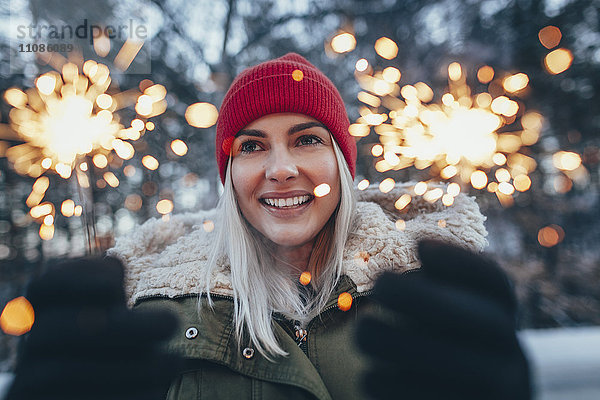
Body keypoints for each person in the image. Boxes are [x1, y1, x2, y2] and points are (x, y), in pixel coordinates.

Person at [6, 53, 530, 400]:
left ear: (343, 168)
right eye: (252, 146)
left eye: (307, 140)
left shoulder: (427, 298)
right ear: (229, 176)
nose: (279, 169)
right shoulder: (149, 317)